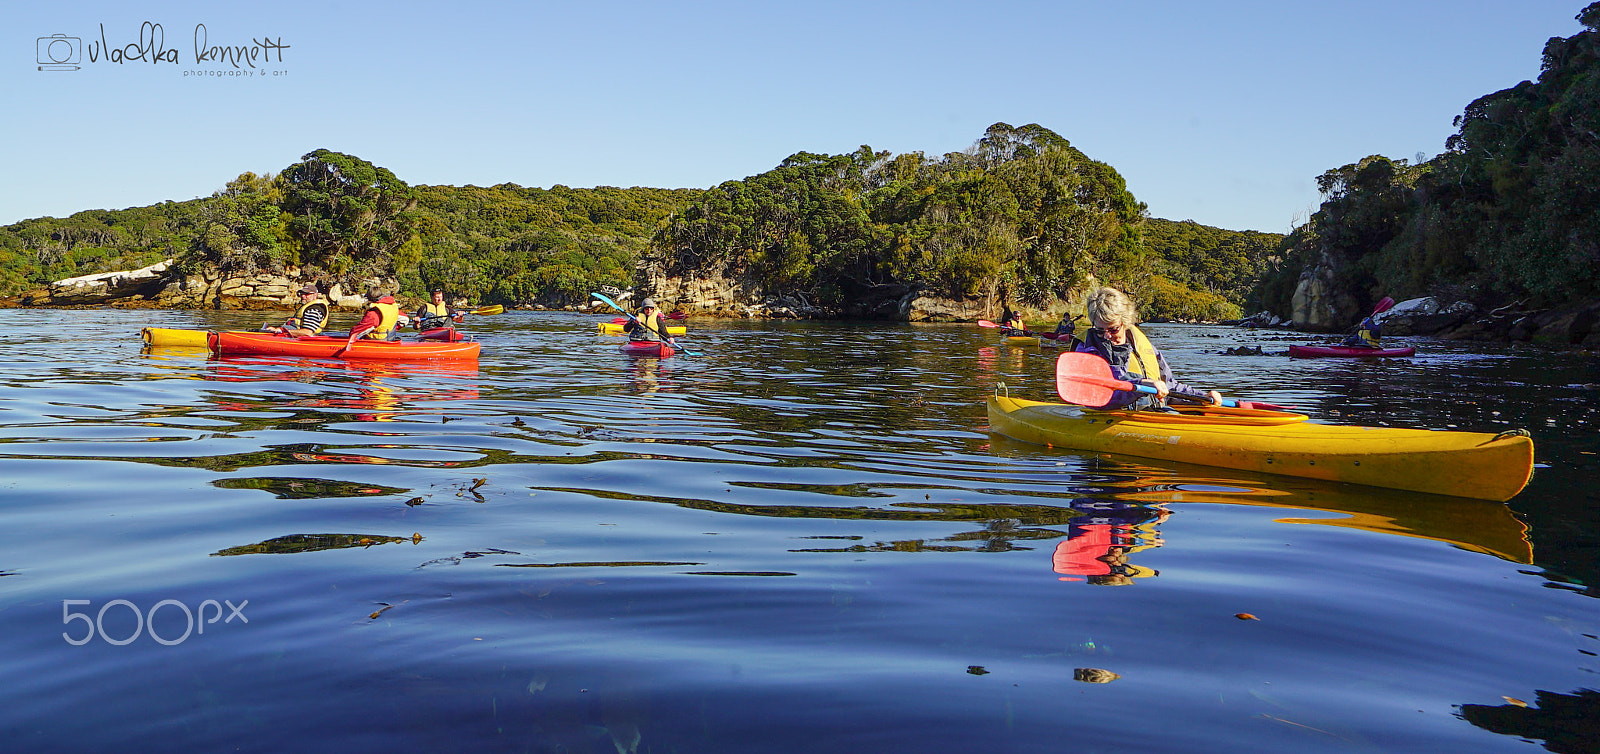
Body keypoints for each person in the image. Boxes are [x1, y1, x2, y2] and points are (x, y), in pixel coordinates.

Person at [1074, 286, 1221, 411]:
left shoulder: (1143, 346)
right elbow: (1098, 394)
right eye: (1100, 330)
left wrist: (1201, 397)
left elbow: (1170, 386)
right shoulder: (1086, 350)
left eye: (1113, 329)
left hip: (1152, 413)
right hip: (1109, 417)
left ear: (1125, 322)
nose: (1106, 336)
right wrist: (1140, 384)